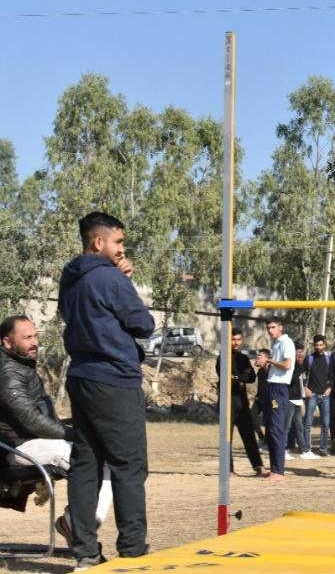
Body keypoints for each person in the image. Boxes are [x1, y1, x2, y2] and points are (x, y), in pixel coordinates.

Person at [60, 212, 155, 567]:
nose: (121, 250)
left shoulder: (70, 276)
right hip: (115, 379)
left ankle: (85, 551)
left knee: (86, 464)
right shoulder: (109, 279)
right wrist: (124, 282)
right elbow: (142, 324)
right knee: (129, 466)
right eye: (118, 242)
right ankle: (132, 549)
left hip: (81, 375)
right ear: (97, 242)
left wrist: (119, 277)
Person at [0, 316, 114, 551]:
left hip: (35, 441)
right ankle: (77, 528)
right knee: (89, 458)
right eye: (27, 337)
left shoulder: (21, 364)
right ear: (7, 342)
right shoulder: (8, 373)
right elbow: (30, 421)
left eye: (35, 335)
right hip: (20, 447)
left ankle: (74, 524)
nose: (35, 342)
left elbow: (38, 416)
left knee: (106, 459)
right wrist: (72, 434)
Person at [216, 329, 268, 477]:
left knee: (249, 436)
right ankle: (228, 469)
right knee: (227, 438)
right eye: (233, 339)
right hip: (227, 402)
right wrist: (239, 377)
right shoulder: (222, 358)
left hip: (242, 402)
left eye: (238, 339)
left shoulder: (243, 358)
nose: (236, 342)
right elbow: (226, 377)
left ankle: (258, 467)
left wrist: (237, 377)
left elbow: (251, 377)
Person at [254, 317, 295, 481]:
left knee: (277, 430)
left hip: (279, 389)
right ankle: (274, 469)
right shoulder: (276, 343)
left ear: (280, 327)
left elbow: (287, 365)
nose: (270, 330)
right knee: (271, 429)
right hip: (271, 387)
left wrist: (268, 359)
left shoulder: (286, 342)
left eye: (273, 327)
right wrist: (264, 365)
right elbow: (277, 369)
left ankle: (278, 471)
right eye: (268, 328)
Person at [303, 334, 333, 458]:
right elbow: (302, 375)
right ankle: (307, 449)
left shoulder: (329, 360)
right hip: (312, 395)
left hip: (325, 395)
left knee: (325, 424)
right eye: (316, 345)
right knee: (307, 423)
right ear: (313, 345)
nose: (318, 347)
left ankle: (323, 448)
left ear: (324, 345)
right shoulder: (309, 359)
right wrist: (305, 388)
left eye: (321, 345)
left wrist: (330, 388)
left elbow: (333, 375)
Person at [285, 342, 309, 458]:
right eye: (298, 351)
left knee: (299, 425)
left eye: (302, 351)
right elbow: (291, 379)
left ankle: (304, 450)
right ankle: (283, 449)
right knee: (287, 426)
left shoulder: (301, 366)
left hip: (298, 398)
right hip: (289, 398)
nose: (301, 354)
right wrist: (300, 367)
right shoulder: (291, 365)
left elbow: (301, 382)